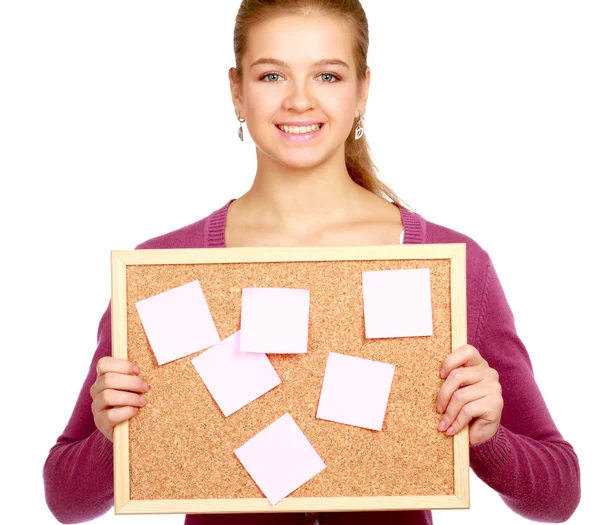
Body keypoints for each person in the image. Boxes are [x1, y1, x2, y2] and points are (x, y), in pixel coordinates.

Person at [43, 1, 581, 524]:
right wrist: (116, 436)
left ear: (362, 90)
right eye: (272, 76)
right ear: (237, 91)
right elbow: (65, 499)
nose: (300, 101)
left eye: (327, 76)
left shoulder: (447, 265)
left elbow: (559, 496)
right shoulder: (163, 271)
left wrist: (486, 437)